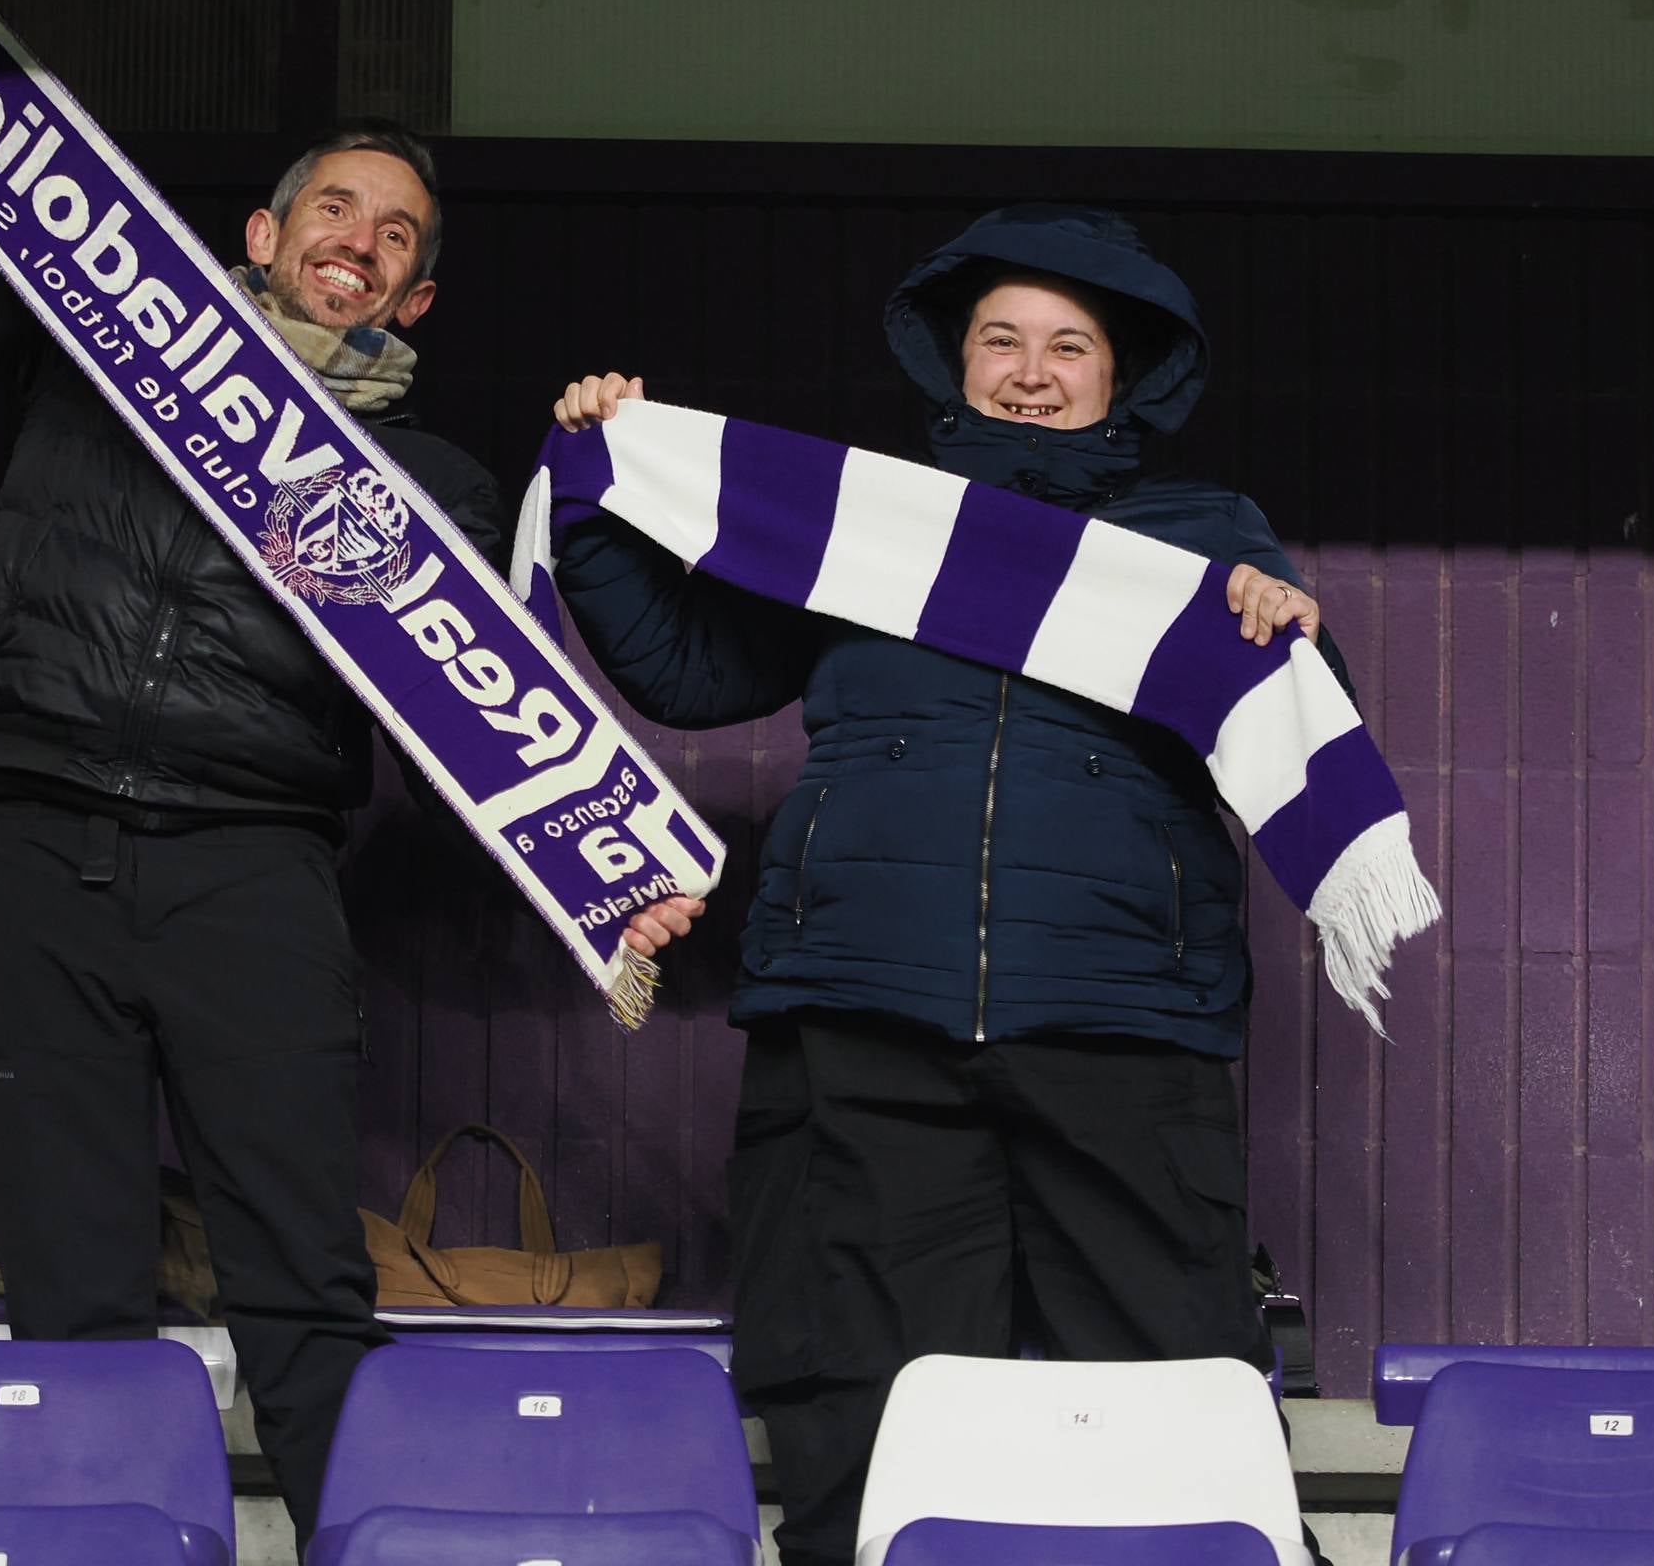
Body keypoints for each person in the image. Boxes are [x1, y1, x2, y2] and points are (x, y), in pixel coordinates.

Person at [0, 0, 504, 1538]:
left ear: (416, 292)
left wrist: (626, 882)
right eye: (334, 210)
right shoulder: (104, 349)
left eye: (393, 238)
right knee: (73, 1293)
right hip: (34, 863)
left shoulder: (436, 489)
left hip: (254, 874)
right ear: (265, 229)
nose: (357, 245)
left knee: (304, 1288)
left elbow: (498, 723)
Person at [546, 205, 1347, 1566]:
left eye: (1067, 347)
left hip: (1121, 1025)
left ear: (1123, 374)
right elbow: (686, 671)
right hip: (863, 1017)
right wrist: (595, 487)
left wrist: (1285, 632)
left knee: (1171, 1399)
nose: (1031, 372)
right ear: (954, 360)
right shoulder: (871, 522)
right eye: (1001, 342)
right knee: (869, 1404)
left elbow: (1296, 736)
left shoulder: (1210, 534)